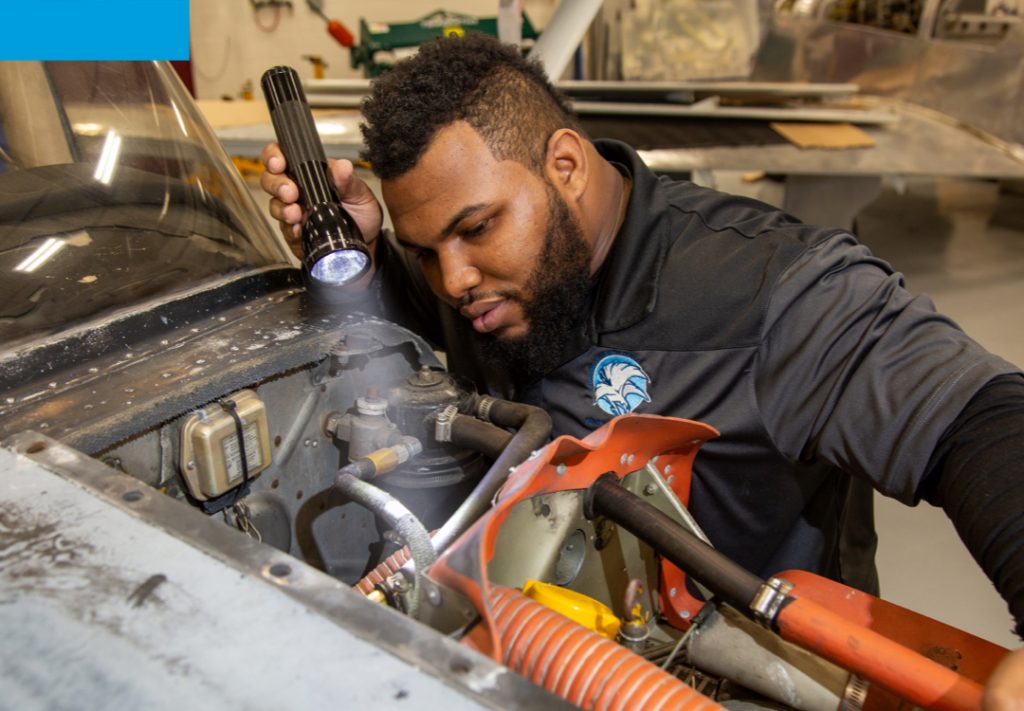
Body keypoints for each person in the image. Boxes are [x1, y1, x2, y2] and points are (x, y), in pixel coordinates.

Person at [261, 33, 1024, 706]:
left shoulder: (769, 290)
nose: (454, 280)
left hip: (737, 669)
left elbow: (976, 415)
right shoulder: (498, 288)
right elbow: (433, 335)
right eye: (427, 251)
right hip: (539, 644)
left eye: (476, 228)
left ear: (564, 164)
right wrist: (370, 264)